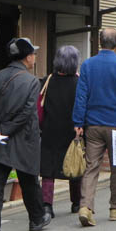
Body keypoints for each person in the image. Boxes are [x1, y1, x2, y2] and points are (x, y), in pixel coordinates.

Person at [0, 37, 51, 231]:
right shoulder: (31, 81)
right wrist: (7, 130)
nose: (35, 57)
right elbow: (28, 112)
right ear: (27, 57)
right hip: (24, 138)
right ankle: (36, 219)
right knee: (28, 180)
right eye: (34, 54)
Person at [72, 29, 116, 227]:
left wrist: (78, 122)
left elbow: (81, 95)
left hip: (93, 124)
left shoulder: (88, 65)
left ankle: (85, 206)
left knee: (91, 167)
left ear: (99, 43)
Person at [40, 46, 82, 218]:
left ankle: (47, 205)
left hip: (50, 130)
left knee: (48, 170)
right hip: (72, 131)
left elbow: (40, 108)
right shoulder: (79, 83)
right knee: (74, 165)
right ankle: (76, 203)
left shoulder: (47, 80)